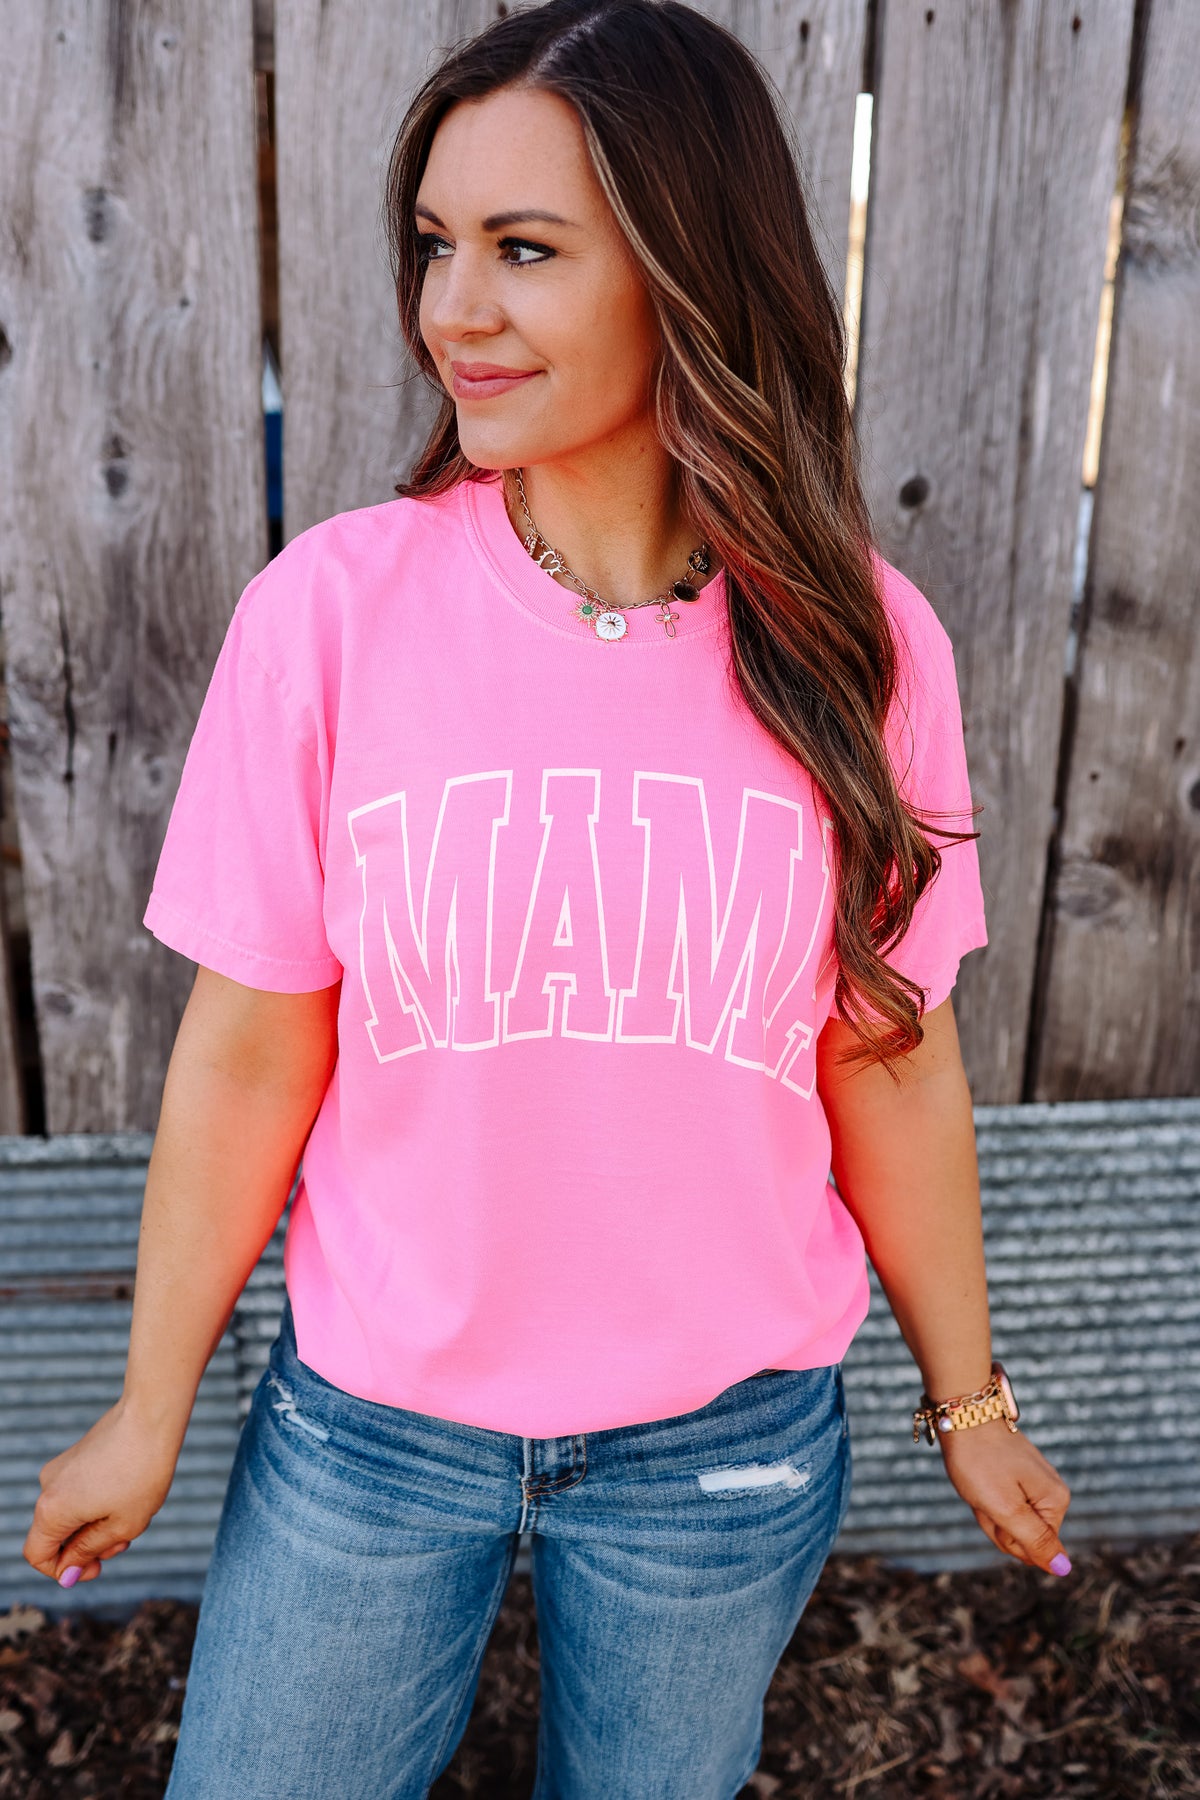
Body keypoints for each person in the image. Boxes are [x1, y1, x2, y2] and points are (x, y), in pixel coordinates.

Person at [23, 2, 1072, 1794]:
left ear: (687, 272)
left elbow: (887, 1055)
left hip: (720, 1457)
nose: (454, 309)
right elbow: (252, 1056)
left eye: (524, 250)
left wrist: (967, 1395)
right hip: (373, 1435)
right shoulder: (331, 616)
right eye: (437, 245)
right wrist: (147, 1408)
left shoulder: (865, 646)